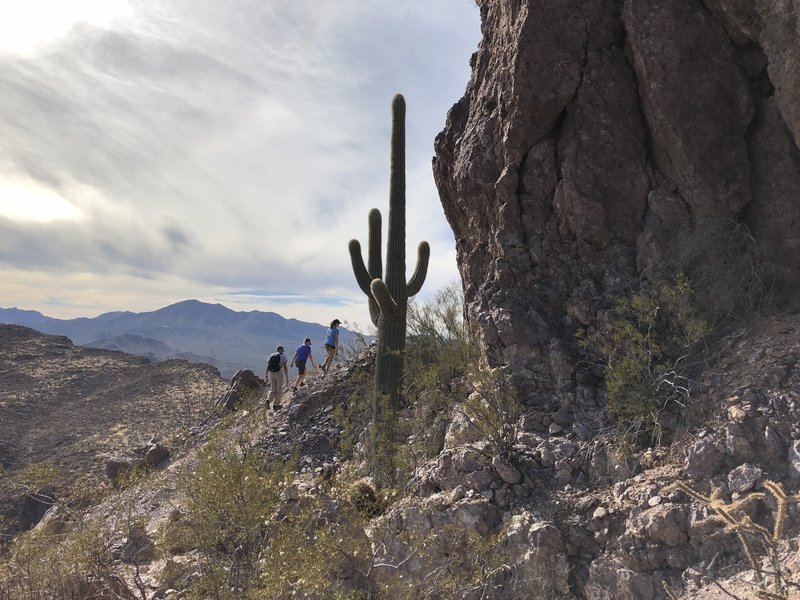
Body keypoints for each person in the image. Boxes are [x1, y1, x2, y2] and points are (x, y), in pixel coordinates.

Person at [265, 345, 289, 409]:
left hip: (271, 373)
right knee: (279, 389)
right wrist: (286, 377)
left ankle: (268, 401)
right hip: (279, 373)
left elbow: (268, 366)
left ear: (277, 350)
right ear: (282, 350)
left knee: (273, 389)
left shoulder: (271, 355)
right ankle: (276, 405)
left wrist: (266, 375)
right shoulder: (283, 356)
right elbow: (285, 367)